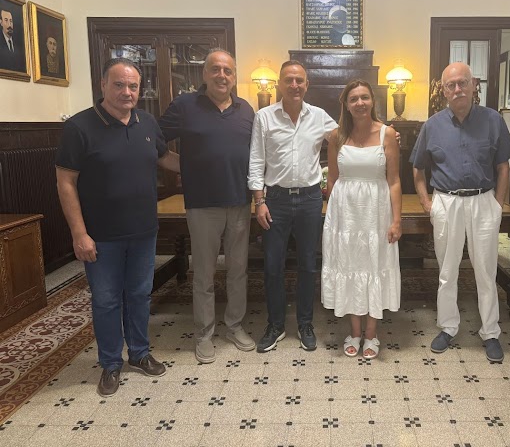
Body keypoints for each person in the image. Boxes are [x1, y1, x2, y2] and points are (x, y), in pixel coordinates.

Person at [55, 58, 180, 397]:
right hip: (101, 236)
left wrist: (204, 166)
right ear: (103, 85)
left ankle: (139, 353)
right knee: (107, 300)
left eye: (133, 86)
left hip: (143, 231)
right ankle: (110, 362)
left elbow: (164, 158)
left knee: (139, 294)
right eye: (119, 85)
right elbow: (65, 182)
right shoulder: (79, 127)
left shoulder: (147, 122)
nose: (127, 92)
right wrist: (79, 233)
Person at [410, 62, 510, 363]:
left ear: (474, 85)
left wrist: (497, 204)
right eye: (451, 85)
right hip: (446, 202)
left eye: (463, 83)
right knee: (447, 271)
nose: (457, 89)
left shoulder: (493, 120)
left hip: (483, 201)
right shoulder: (432, 126)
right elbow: (417, 168)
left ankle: (490, 332)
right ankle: (448, 327)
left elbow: (503, 166)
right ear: (443, 90)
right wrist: (427, 204)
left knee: (486, 270)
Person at [158, 49, 256, 363]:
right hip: (202, 205)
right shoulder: (185, 106)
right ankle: (204, 334)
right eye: (215, 69)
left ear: (234, 76)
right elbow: (153, 142)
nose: (222, 75)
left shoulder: (246, 110)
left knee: (238, 270)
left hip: (239, 203)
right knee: (204, 273)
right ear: (204, 74)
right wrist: (183, 166)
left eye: (228, 70)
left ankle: (235, 326)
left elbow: (255, 155)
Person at [248, 60, 338, 353]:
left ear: (307, 85)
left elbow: (347, 138)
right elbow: (256, 160)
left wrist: (383, 135)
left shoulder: (319, 116)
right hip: (275, 200)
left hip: (310, 199)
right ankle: (275, 325)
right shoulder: (264, 117)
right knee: (272, 265)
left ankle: (305, 323)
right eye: (289, 80)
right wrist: (259, 201)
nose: (295, 85)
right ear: (279, 84)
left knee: (308, 264)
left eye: (300, 80)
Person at [321, 80, 402, 359]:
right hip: (345, 215)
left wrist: (397, 220)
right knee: (350, 266)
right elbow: (332, 179)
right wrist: (332, 219)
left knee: (374, 266)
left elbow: (394, 180)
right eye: (353, 99)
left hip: (376, 212)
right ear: (346, 104)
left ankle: (371, 334)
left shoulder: (387, 134)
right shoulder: (336, 136)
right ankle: (354, 332)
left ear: (372, 101)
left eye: (364, 97)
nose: (360, 103)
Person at [0, 5, 25, 72]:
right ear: (1, 22)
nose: (9, 25)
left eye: (11, 21)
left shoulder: (19, 42)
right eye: (6, 20)